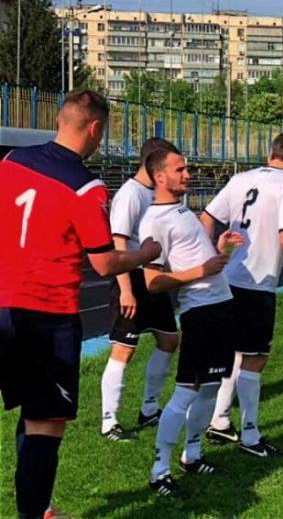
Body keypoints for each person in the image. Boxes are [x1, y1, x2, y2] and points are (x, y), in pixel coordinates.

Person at [0, 89, 161, 518]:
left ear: (59, 120)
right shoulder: (86, 186)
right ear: (95, 128)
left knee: (31, 413)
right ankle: (36, 513)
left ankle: (39, 507)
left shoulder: (11, 161)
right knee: (45, 421)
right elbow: (104, 262)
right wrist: (145, 254)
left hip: (3, 303)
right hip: (46, 314)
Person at [202, 132, 283, 457]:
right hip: (257, 282)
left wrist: (209, 256)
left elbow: (207, 217)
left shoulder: (241, 178)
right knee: (255, 358)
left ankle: (219, 420)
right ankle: (250, 435)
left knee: (236, 353)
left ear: (272, 153)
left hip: (230, 278)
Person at [140, 143, 242, 497]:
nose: (188, 174)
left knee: (211, 386)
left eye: (187, 168)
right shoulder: (155, 220)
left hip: (222, 305)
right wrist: (202, 270)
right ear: (159, 176)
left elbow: (196, 259)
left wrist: (219, 250)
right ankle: (159, 471)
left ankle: (193, 455)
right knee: (187, 390)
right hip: (200, 312)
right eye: (180, 169)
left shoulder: (182, 209)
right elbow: (153, 282)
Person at [100, 138, 180, 442]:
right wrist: (125, 290)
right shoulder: (131, 194)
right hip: (131, 278)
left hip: (153, 277)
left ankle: (149, 409)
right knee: (124, 348)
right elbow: (118, 242)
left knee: (169, 340)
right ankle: (109, 421)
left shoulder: (156, 193)